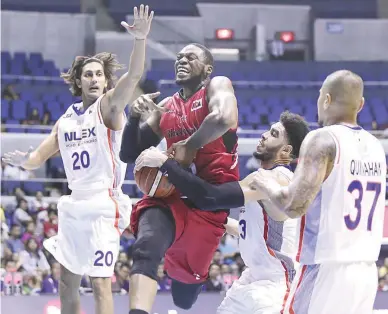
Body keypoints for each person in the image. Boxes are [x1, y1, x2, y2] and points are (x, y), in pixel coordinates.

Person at [2, 5, 153, 314]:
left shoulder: (109, 107)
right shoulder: (67, 119)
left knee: (100, 282)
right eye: (88, 74)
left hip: (103, 205)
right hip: (74, 205)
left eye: (99, 74)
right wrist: (22, 162)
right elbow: (37, 158)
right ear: (79, 81)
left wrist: (140, 40)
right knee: (67, 282)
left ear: (106, 81)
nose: (95, 79)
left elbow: (134, 74)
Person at [135, 111, 310, 313]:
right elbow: (250, 230)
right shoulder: (261, 178)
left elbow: (210, 197)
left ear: (286, 152)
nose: (263, 135)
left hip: (277, 285)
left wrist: (165, 164)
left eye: (273, 134)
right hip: (251, 279)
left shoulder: (275, 180)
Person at [249, 70, 387, 314]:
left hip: (325, 268)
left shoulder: (322, 139)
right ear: (361, 104)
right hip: (366, 272)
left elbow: (293, 204)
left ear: (326, 100)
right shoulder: (376, 146)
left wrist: (265, 183)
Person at [120, 43, 239, 314]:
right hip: (172, 193)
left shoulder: (217, 87)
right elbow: (129, 153)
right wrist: (134, 117)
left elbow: (224, 118)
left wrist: (190, 144)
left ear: (208, 69)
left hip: (210, 199)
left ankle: (192, 278)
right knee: (145, 246)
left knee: (183, 299)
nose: (182, 60)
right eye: (179, 57)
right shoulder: (166, 107)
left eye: (191, 57)